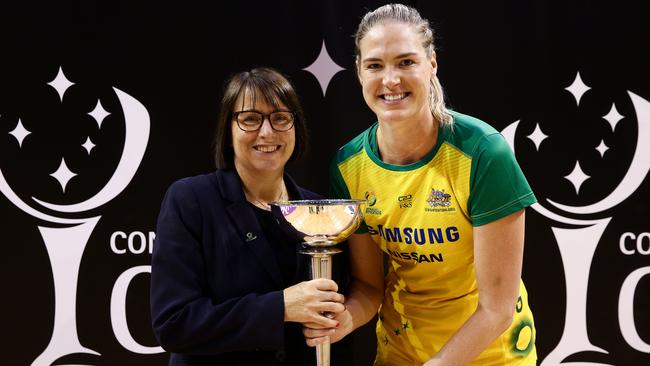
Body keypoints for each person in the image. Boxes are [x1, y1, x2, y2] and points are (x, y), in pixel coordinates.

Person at [304, 4, 537, 365]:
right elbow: (369, 287)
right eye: (375, 65)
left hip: (491, 355)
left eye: (406, 62)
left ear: (432, 64)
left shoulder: (483, 153)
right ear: (359, 72)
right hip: (400, 354)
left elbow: (497, 309)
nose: (391, 80)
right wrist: (343, 320)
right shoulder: (349, 166)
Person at [150, 67, 349, 365]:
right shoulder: (191, 200)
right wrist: (280, 307)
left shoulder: (320, 210)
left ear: (296, 128)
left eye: (281, 118)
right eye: (250, 119)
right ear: (228, 130)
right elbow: (174, 324)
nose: (267, 133)